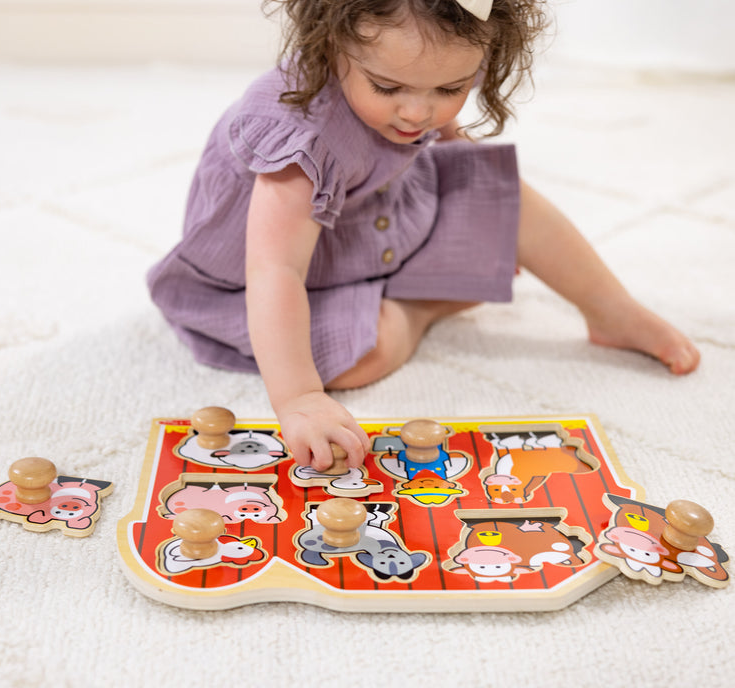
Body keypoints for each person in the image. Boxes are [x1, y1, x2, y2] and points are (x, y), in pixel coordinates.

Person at [148, 0, 700, 471]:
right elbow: (274, 269)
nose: (418, 112)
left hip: (375, 216)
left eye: (450, 88)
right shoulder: (301, 135)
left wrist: (486, 214)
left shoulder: (429, 68)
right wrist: (299, 399)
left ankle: (611, 310)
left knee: (507, 194)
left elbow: (443, 132)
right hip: (274, 272)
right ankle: (416, 311)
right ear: (333, 44)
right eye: (387, 86)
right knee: (359, 357)